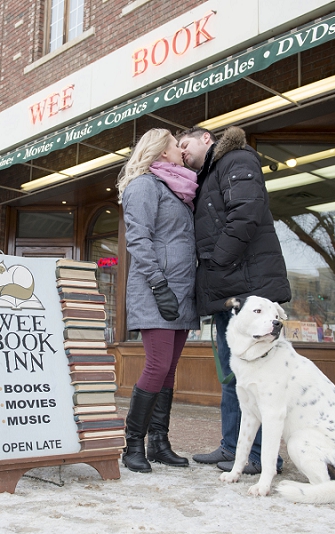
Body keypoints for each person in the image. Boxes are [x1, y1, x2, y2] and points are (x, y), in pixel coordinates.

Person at [178, 125, 291, 475]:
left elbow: (246, 212)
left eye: (184, 144)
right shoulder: (208, 175)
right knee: (233, 375)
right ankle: (233, 447)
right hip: (232, 294)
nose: (181, 152)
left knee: (260, 377)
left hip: (250, 293)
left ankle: (260, 456)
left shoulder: (236, 159)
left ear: (206, 139)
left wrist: (215, 261)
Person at [116, 128, 199, 473]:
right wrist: (158, 284)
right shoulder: (143, 186)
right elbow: (138, 240)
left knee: (169, 370)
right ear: (161, 152)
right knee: (157, 365)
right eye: (174, 145)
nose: (181, 150)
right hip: (157, 289)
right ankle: (132, 444)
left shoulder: (176, 189)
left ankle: (159, 442)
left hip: (181, 290)